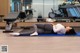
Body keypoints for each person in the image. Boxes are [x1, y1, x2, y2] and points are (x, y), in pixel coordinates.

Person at [9, 23, 76, 36]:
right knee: (33, 31)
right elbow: (56, 33)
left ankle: (35, 32)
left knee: (35, 24)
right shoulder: (63, 32)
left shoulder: (62, 27)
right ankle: (19, 34)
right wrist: (55, 26)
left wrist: (53, 25)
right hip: (48, 32)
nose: (69, 26)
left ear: (68, 30)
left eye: (69, 27)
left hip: (49, 27)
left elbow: (55, 30)